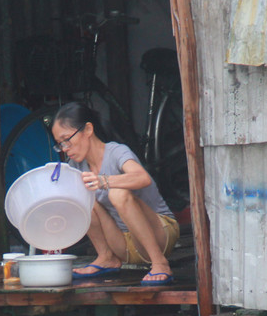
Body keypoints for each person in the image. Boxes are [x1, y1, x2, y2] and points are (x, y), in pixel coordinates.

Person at [53, 102, 179, 285]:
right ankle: (106, 257)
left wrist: (104, 181)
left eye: (67, 140)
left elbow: (142, 178)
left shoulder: (116, 151)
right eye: (60, 144)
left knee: (117, 194)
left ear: (88, 130)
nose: (65, 148)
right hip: (124, 245)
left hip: (160, 235)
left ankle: (160, 263)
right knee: (77, 197)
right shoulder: (76, 167)